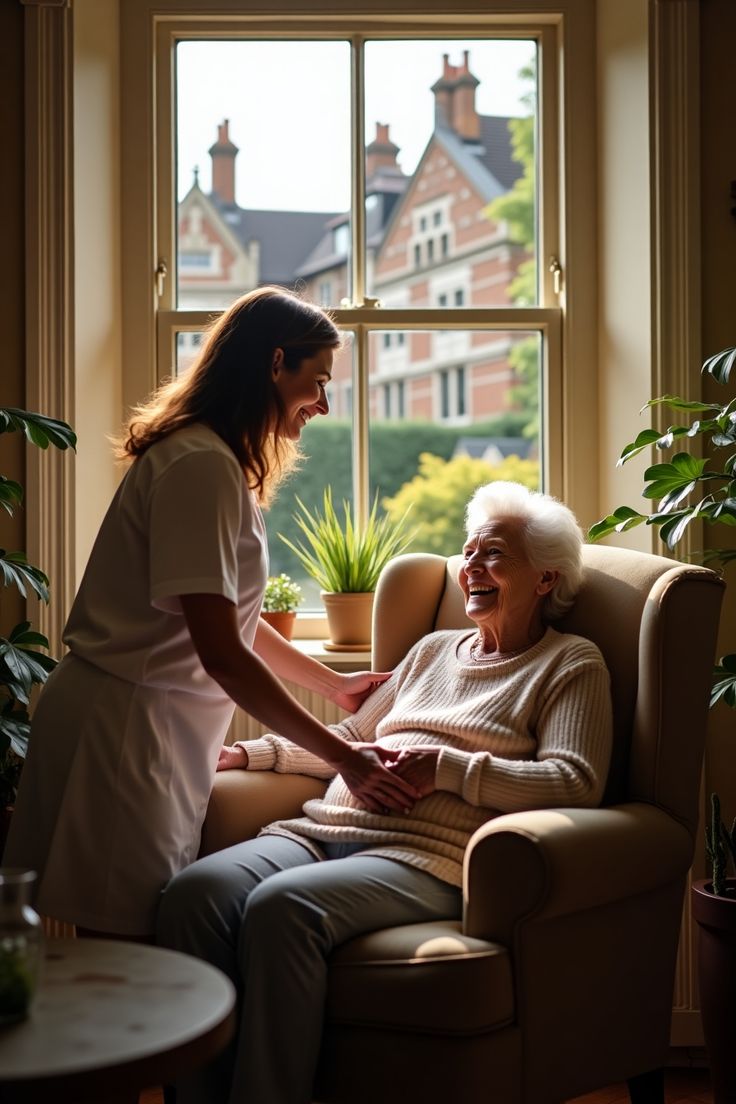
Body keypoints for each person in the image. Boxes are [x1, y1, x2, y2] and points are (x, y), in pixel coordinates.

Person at [156, 480, 614, 1104]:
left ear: (545, 578)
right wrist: (251, 753)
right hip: (320, 834)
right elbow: (348, 738)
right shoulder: (430, 652)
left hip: (425, 858)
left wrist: (445, 769)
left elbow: (576, 783)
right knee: (193, 896)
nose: (471, 568)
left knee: (282, 909)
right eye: (469, 552)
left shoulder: (569, 663)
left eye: (494, 555)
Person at [4, 286, 419, 939]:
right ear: (275, 364)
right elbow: (221, 653)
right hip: (126, 732)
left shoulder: (214, 464)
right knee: (125, 957)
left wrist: (333, 685)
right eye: (316, 381)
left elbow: (233, 626)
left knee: (131, 949)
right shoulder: (200, 468)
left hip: (150, 727)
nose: (324, 404)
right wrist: (346, 757)